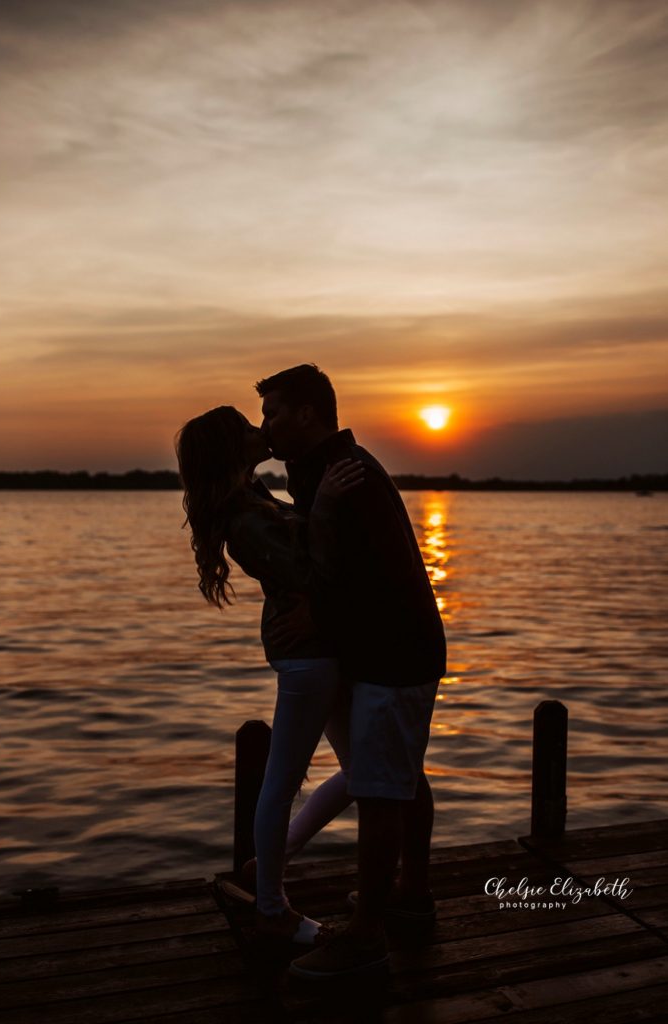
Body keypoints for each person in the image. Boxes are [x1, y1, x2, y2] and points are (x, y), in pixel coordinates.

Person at [254, 364, 446, 978]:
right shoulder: (320, 472)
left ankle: (367, 937)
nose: (266, 427)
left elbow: (343, 575)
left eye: (275, 412)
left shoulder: (346, 475)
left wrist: (311, 616)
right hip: (394, 649)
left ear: (309, 413)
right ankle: (411, 897)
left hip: (393, 653)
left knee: (381, 789)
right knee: (401, 775)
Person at [175, 406, 362, 945]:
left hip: (317, 649)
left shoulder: (254, 497)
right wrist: (325, 503)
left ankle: (266, 872)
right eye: (250, 428)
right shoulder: (245, 516)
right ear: (233, 448)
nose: (265, 432)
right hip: (305, 655)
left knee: (362, 769)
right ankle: (271, 909)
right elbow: (309, 571)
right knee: (281, 782)